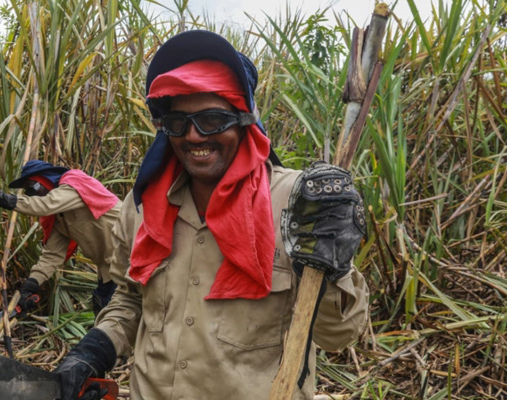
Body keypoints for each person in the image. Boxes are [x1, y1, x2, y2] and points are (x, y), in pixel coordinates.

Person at [52, 30, 370, 400]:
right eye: (178, 124)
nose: (193, 136)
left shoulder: (300, 205)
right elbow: (130, 299)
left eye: (212, 120)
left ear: (243, 120)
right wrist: (92, 352)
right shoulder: (142, 208)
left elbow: (338, 336)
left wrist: (334, 265)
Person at [0, 160, 121, 316]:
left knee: (117, 316)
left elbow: (45, 204)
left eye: (32, 187)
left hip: (131, 255)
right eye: (28, 192)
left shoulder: (75, 185)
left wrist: (0, 198)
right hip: (110, 269)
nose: (32, 194)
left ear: (46, 180)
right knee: (104, 312)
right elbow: (52, 256)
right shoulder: (58, 219)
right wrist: (30, 286)